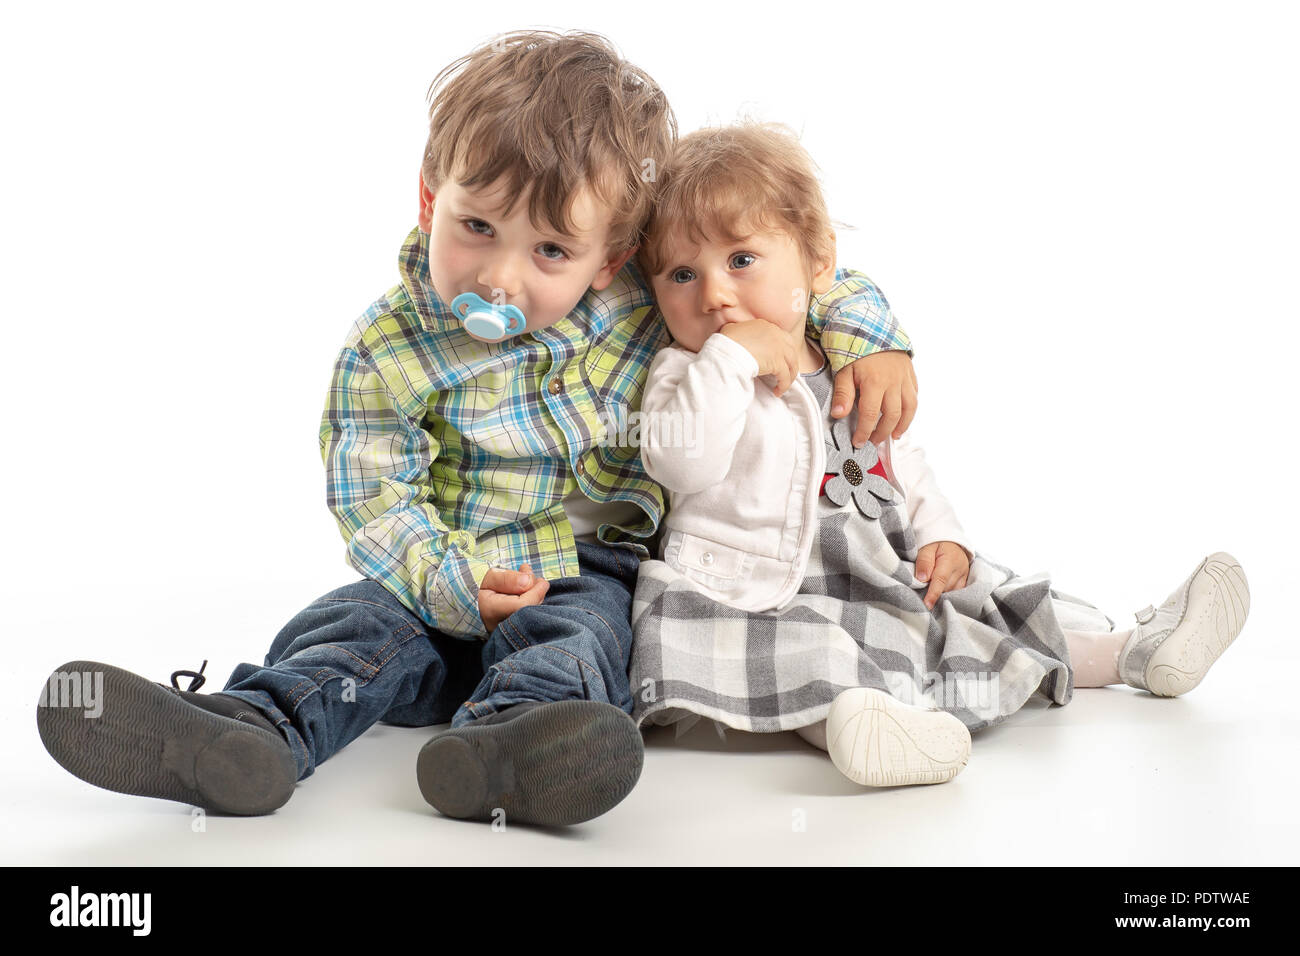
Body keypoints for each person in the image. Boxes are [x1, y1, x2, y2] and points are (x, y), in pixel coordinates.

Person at [35, 33, 920, 824]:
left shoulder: (642, 296)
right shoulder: (392, 342)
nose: (499, 278)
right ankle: (247, 735)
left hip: (584, 567)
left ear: (611, 255)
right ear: (429, 200)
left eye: (549, 252)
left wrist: (871, 336)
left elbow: (770, 255)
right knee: (355, 632)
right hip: (439, 562)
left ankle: (507, 749)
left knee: (580, 642)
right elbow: (372, 492)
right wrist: (450, 579)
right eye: (477, 227)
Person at [629, 122, 1251, 787]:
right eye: (682, 274)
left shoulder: (841, 358)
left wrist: (941, 534)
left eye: (742, 260)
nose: (714, 294)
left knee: (973, 611)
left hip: (869, 568)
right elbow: (681, 464)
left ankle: (1134, 654)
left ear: (816, 263)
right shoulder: (685, 368)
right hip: (754, 589)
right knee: (812, 655)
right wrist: (731, 357)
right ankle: (861, 727)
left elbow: (897, 461)